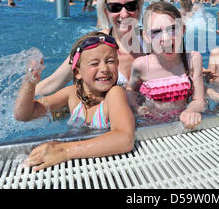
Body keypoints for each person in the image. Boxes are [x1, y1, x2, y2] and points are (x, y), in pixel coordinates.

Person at [14, 31, 135, 172]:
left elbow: (125, 139)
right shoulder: (72, 94)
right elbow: (24, 116)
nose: (104, 69)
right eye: (94, 63)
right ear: (77, 72)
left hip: (107, 166)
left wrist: (64, 151)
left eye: (110, 61)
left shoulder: (114, 94)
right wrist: (29, 83)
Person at [35, 0, 145, 96]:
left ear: (138, 8)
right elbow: (53, 83)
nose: (124, 14)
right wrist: (24, 96)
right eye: (115, 7)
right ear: (105, 11)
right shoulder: (92, 43)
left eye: (131, 5)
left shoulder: (155, 42)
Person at [126, 1, 206, 130]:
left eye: (173, 29)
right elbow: (130, 90)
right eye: (156, 31)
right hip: (151, 125)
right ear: (146, 36)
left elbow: (198, 99)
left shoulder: (193, 59)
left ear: (183, 30)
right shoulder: (141, 65)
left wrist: (190, 110)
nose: (166, 38)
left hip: (182, 122)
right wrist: (137, 108)